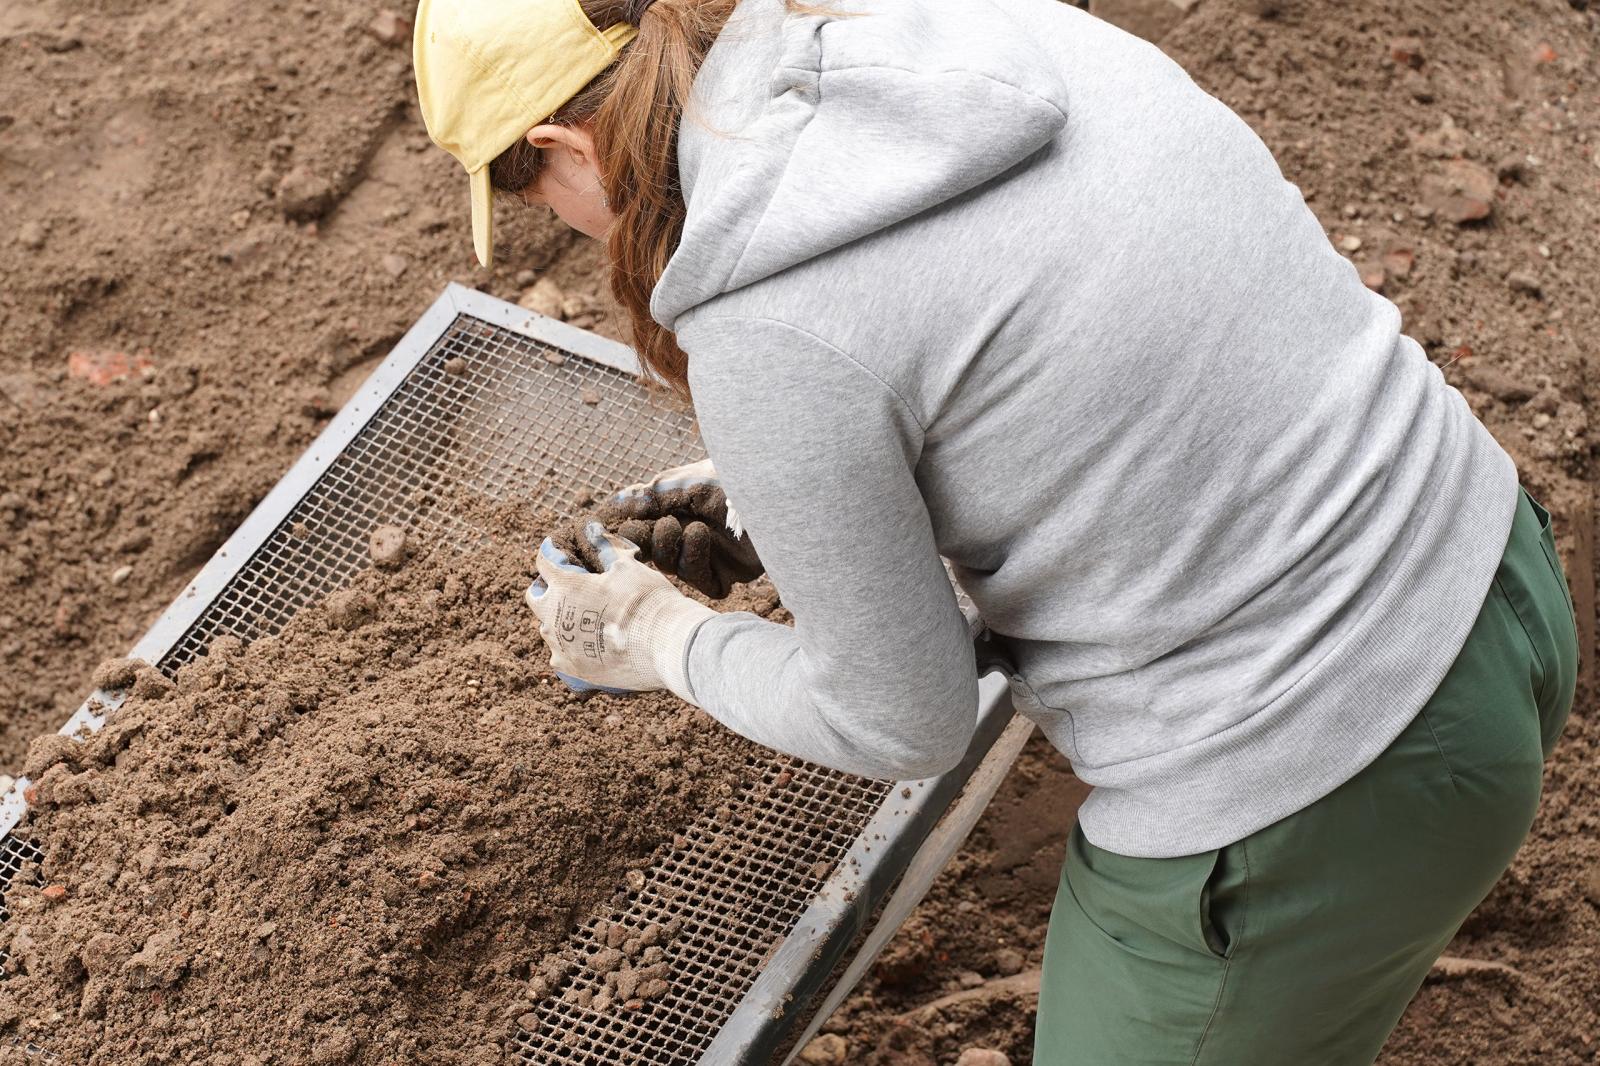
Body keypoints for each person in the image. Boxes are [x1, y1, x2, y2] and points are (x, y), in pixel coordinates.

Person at [411, 0, 1579, 1060]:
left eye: (536, 200)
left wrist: (660, 637)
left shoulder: (767, 331)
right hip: (1492, 578)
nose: (559, 224)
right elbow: (1076, 346)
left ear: (568, 150)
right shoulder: (975, 36)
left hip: (1308, 783)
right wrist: (820, 482)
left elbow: (897, 719)